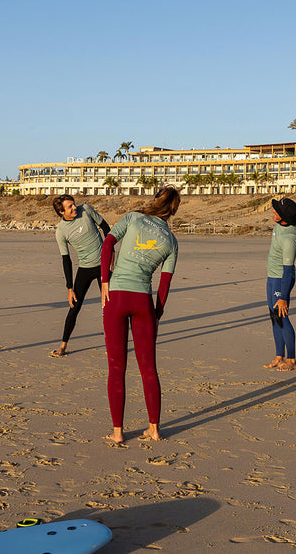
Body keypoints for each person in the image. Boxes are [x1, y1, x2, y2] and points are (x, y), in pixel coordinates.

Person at [100, 187, 180, 444]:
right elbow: (164, 283)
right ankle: (154, 429)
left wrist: (104, 281)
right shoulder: (171, 241)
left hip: (117, 297)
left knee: (116, 367)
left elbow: (108, 242)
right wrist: (156, 313)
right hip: (143, 302)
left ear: (156, 200)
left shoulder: (134, 217)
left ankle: (118, 432)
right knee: (149, 369)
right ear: (173, 210)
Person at [52, 195, 111, 358]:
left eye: (74, 204)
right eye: (70, 206)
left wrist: (110, 256)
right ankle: (63, 346)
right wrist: (69, 288)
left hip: (103, 266)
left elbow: (106, 229)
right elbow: (66, 260)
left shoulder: (86, 210)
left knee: (109, 308)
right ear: (61, 211)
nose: (74, 207)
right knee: (74, 308)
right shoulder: (61, 232)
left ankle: (112, 344)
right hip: (84, 269)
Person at [265, 197, 296, 371]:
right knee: (274, 316)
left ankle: (292, 360)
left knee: (282, 316)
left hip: (282, 279)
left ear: (284, 217)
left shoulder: (289, 239)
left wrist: (284, 297)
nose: (273, 211)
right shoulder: (283, 223)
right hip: (272, 276)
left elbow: (288, 270)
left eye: (276, 211)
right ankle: (279, 357)